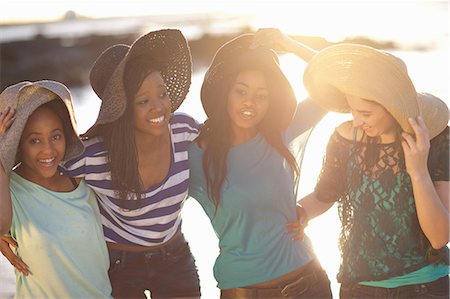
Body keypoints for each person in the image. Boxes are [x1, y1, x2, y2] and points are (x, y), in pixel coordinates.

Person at [1, 29, 201, 299]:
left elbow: (225, 143)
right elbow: (40, 166)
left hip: (174, 256)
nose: (158, 107)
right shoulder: (93, 155)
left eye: (162, 93)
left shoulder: (184, 129)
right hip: (121, 265)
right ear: (123, 108)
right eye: (143, 100)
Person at [188, 29, 332, 298]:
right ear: (225, 93)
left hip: (308, 284)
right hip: (242, 291)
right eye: (240, 91)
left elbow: (341, 81)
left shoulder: (285, 132)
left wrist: (290, 44)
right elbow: (155, 203)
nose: (249, 102)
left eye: (261, 95)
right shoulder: (196, 156)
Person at [299, 43, 449, 298]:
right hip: (359, 289)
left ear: (392, 106)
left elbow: (439, 237)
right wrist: (297, 214)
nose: (356, 120)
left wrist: (418, 171)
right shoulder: (345, 138)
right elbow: (324, 195)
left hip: (424, 287)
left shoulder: (436, 139)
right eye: (352, 109)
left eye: (364, 113)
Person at [0, 80, 112, 298]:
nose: (48, 150)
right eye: (34, 140)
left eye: (56, 136)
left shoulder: (83, 182)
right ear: (19, 144)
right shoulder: (10, 190)